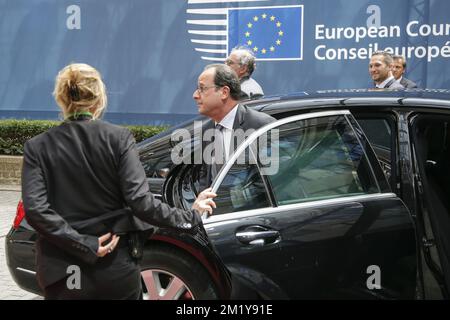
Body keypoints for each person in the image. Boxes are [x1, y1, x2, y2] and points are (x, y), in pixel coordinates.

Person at [21, 63, 216, 300]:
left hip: (63, 271)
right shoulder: (118, 139)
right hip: (114, 268)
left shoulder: (38, 147)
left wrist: (83, 242)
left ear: (61, 99)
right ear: (99, 99)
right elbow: (140, 202)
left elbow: (36, 211)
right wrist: (190, 216)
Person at [193, 63, 275, 184]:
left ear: (224, 92)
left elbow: (274, 180)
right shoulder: (205, 131)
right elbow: (206, 179)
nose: (195, 95)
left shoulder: (262, 126)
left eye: (202, 88)